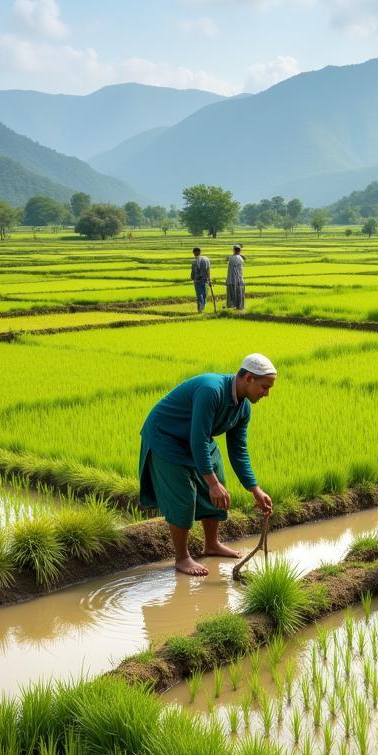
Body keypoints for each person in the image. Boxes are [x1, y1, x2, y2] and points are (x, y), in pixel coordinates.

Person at [138, 353, 276, 576]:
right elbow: (198, 438)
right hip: (167, 438)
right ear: (249, 378)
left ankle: (211, 544)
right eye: (265, 386)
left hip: (195, 438)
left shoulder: (243, 408)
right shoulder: (212, 390)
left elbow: (238, 450)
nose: (267, 393)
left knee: (218, 481)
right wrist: (210, 483)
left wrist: (255, 489)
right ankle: (182, 558)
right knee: (183, 496)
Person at [190, 247, 212, 313]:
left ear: (194, 253)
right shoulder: (206, 259)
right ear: (200, 252)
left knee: (200, 295)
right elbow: (208, 270)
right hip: (205, 280)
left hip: (198, 281)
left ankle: (200, 309)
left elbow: (193, 272)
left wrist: (192, 277)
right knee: (204, 294)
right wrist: (209, 279)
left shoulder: (194, 261)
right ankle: (202, 308)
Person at [226, 244, 245, 310]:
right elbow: (244, 258)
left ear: (234, 250)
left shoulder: (231, 258)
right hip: (240, 278)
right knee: (239, 292)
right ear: (240, 251)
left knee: (232, 293)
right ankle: (239, 306)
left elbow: (226, 259)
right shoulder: (241, 258)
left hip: (232, 278)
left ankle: (233, 305)